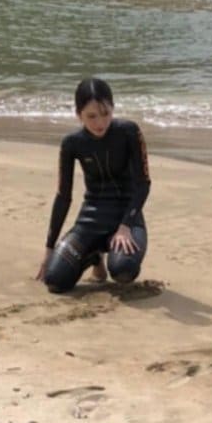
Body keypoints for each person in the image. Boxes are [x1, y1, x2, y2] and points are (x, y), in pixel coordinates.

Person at [37, 77, 151, 293]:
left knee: (123, 271)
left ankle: (112, 250)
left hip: (127, 217)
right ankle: (94, 256)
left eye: (106, 114)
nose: (100, 123)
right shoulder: (72, 143)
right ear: (78, 114)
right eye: (91, 116)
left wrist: (126, 226)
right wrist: (49, 248)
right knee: (54, 280)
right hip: (91, 217)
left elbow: (143, 184)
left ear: (113, 109)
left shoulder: (129, 132)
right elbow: (63, 196)